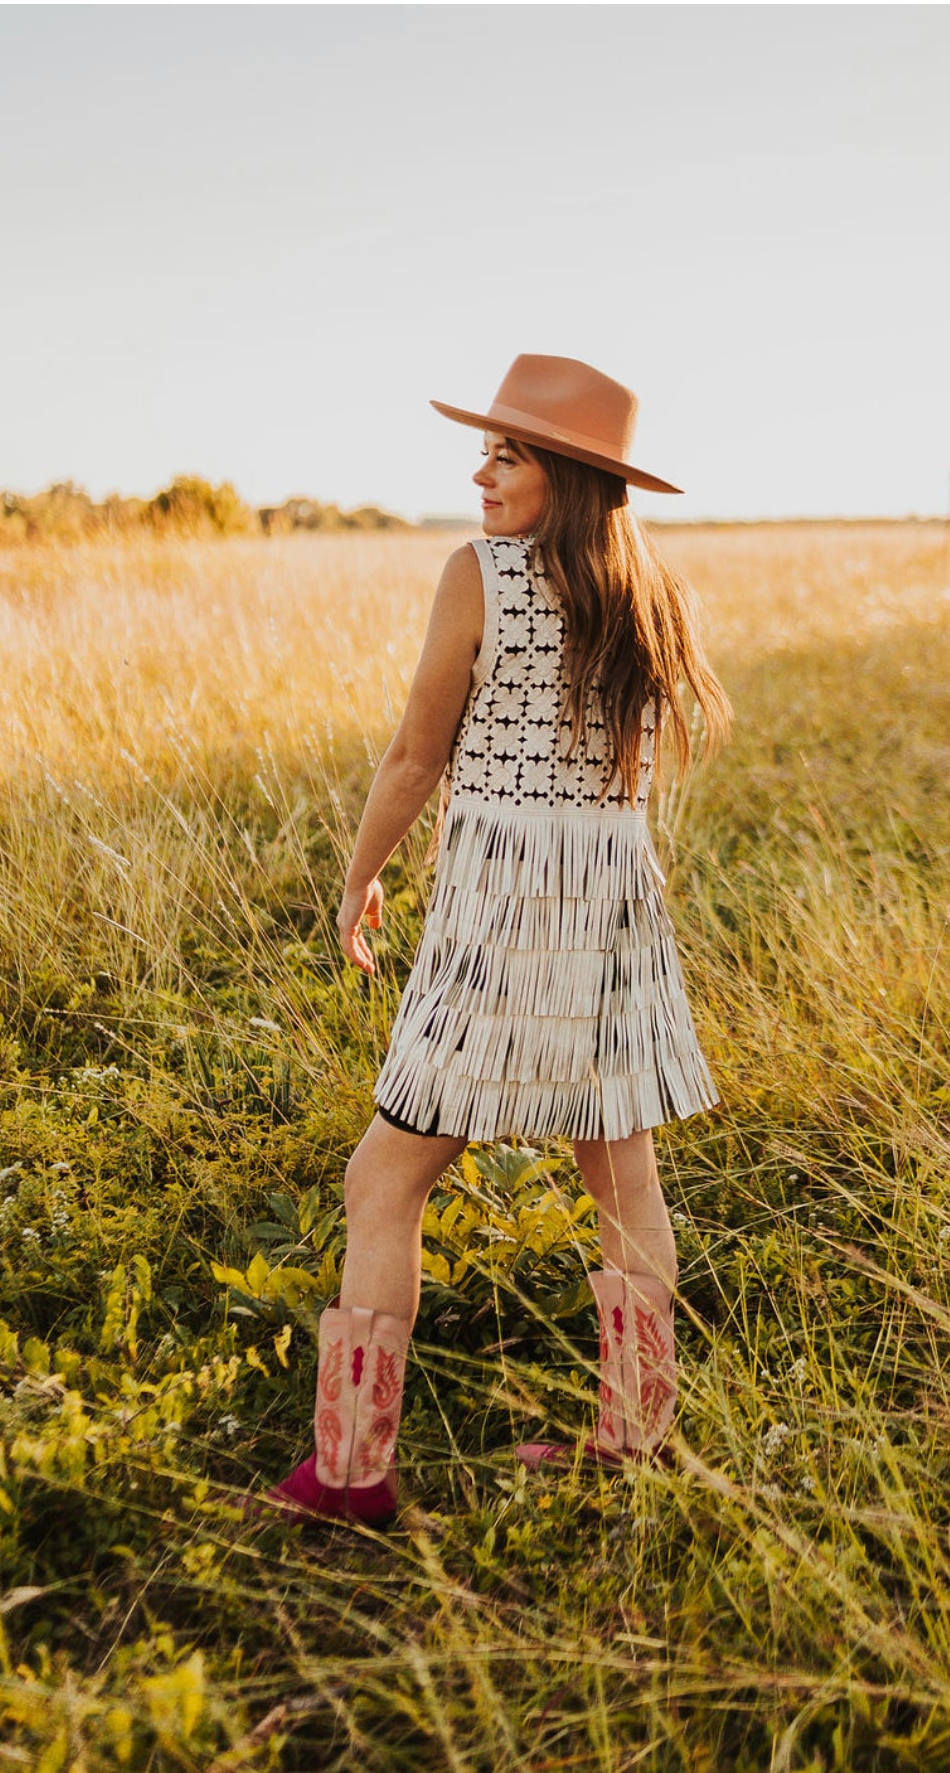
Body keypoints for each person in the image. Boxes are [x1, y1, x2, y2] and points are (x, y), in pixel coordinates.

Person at [265, 354, 731, 1526]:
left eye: (506, 454)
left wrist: (361, 875)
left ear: (564, 475)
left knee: (384, 1180)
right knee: (626, 1187)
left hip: (505, 911)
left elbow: (418, 751)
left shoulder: (480, 574)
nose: (480, 472)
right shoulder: (647, 588)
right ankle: (635, 1443)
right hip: (612, 904)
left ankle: (351, 1475)